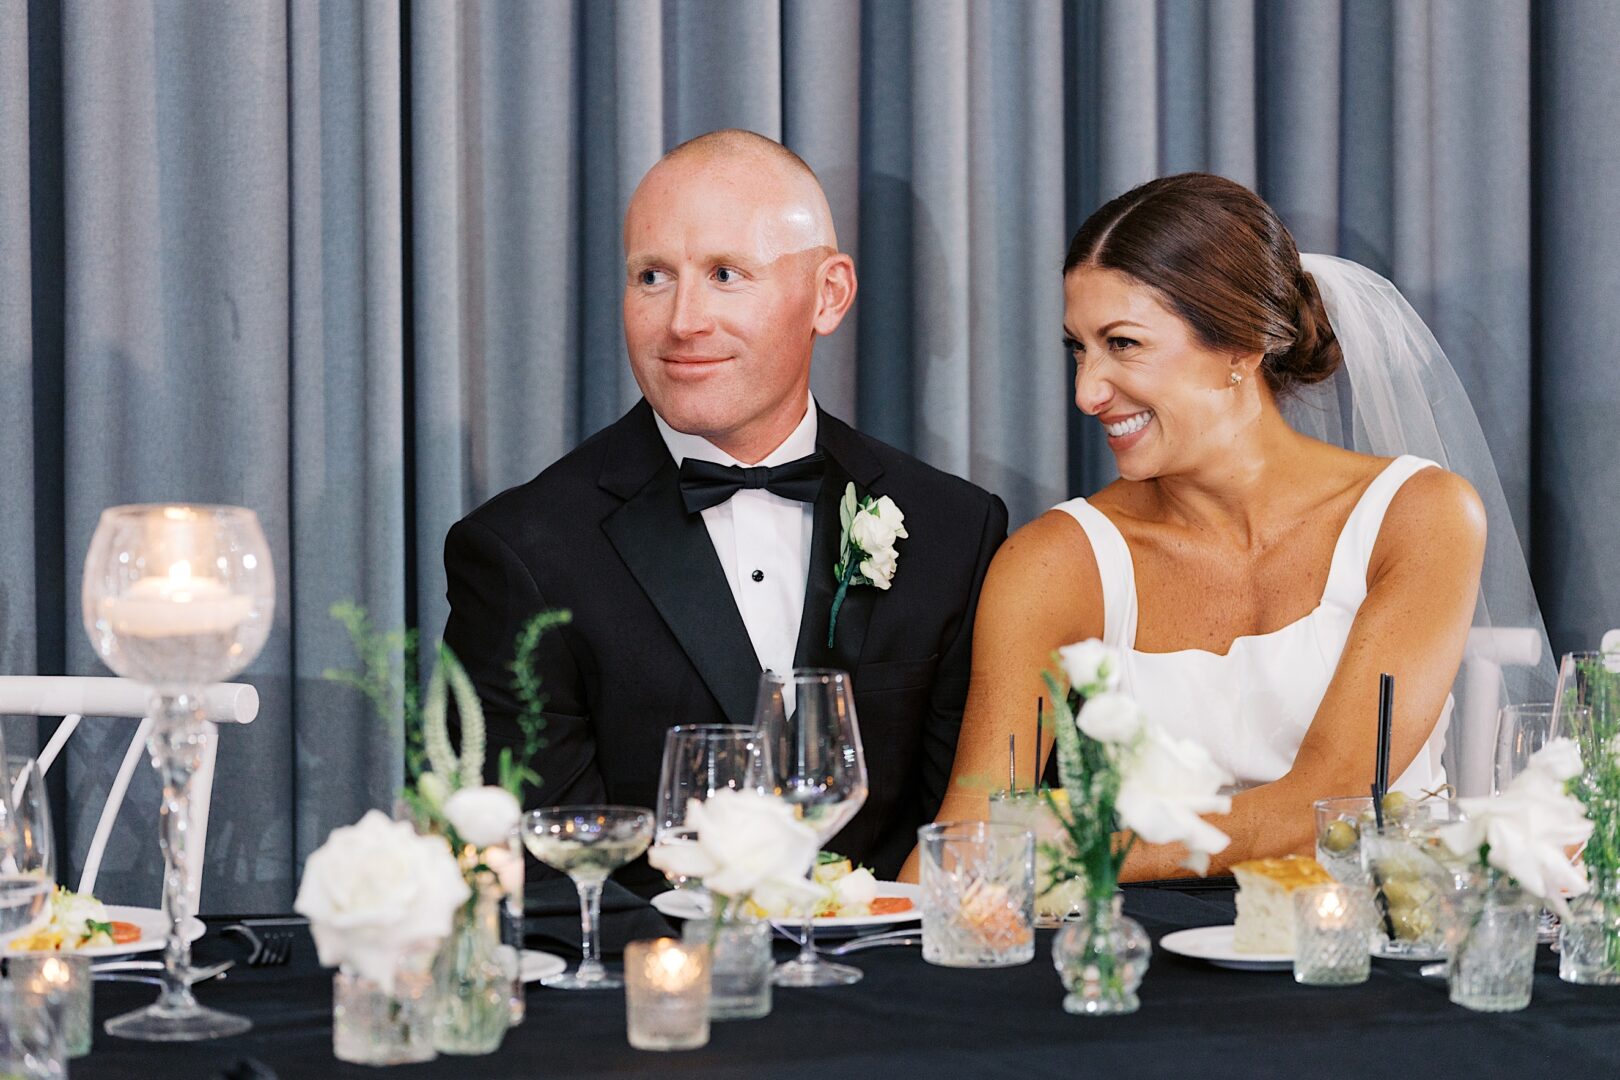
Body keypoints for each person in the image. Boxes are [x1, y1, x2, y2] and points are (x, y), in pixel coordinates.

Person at [929, 172, 1549, 881]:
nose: (1086, 391)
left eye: (1123, 344)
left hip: (1371, 955)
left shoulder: (1420, 516)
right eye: (1078, 348)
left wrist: (1078, 843)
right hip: (1152, 970)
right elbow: (968, 835)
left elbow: (1330, 808)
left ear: (1243, 347)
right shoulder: (1053, 561)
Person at [443, 129, 1007, 890]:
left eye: (725, 274)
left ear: (829, 295)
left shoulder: (954, 528)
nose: (682, 321)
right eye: (652, 276)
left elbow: (958, 836)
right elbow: (545, 876)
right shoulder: (522, 552)